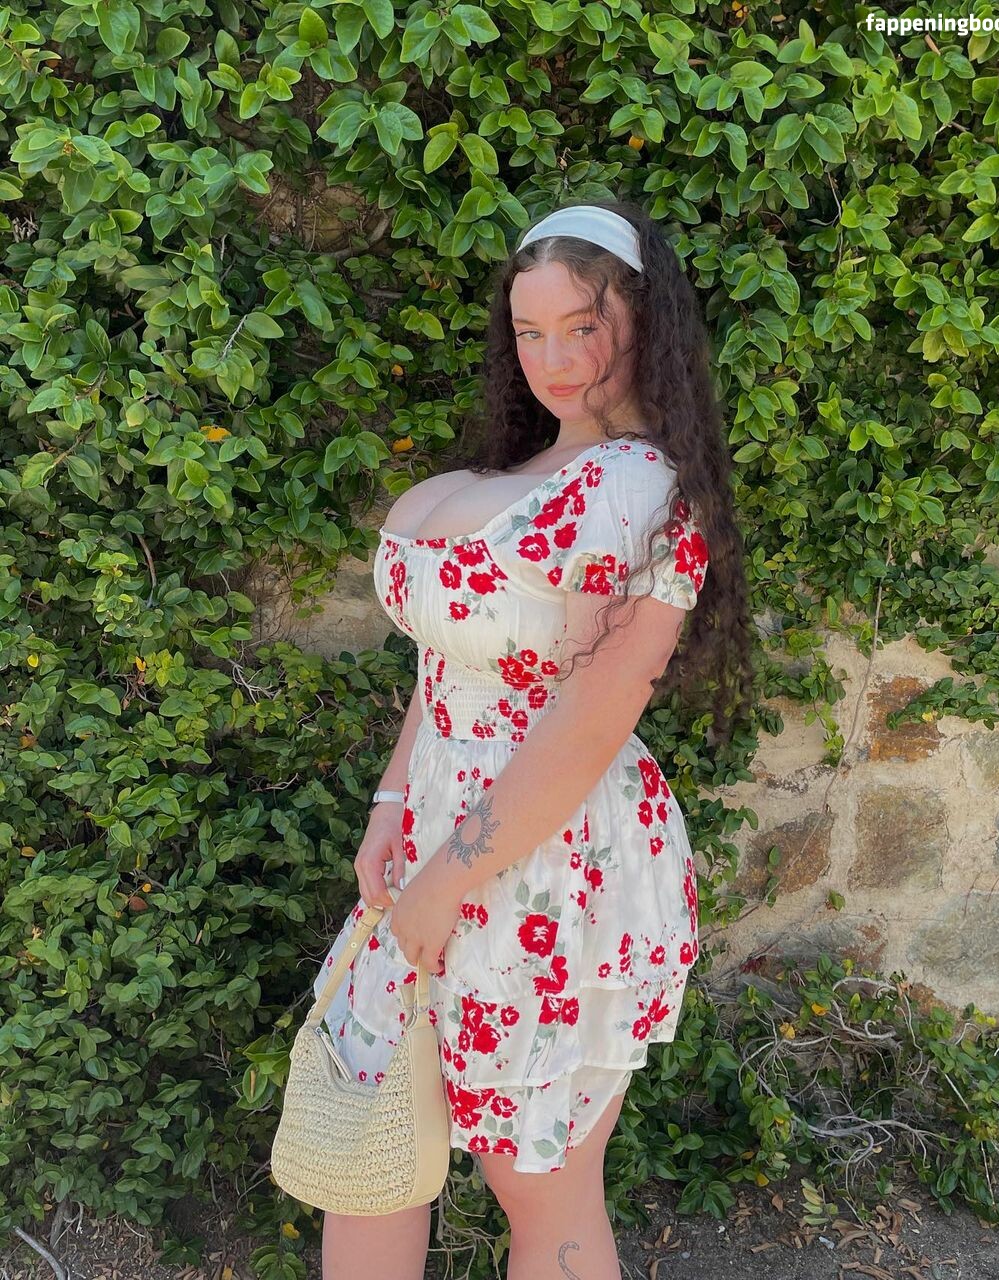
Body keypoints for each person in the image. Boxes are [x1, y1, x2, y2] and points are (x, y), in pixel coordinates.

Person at [314, 200, 753, 1279]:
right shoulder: (520, 474)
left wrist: (444, 882)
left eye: (583, 327)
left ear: (645, 320)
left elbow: (590, 723)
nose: (554, 359)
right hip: (435, 840)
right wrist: (390, 805)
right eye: (530, 331)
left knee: (539, 1182)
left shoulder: (645, 492)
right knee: (367, 1145)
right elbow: (451, 664)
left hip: (556, 861)